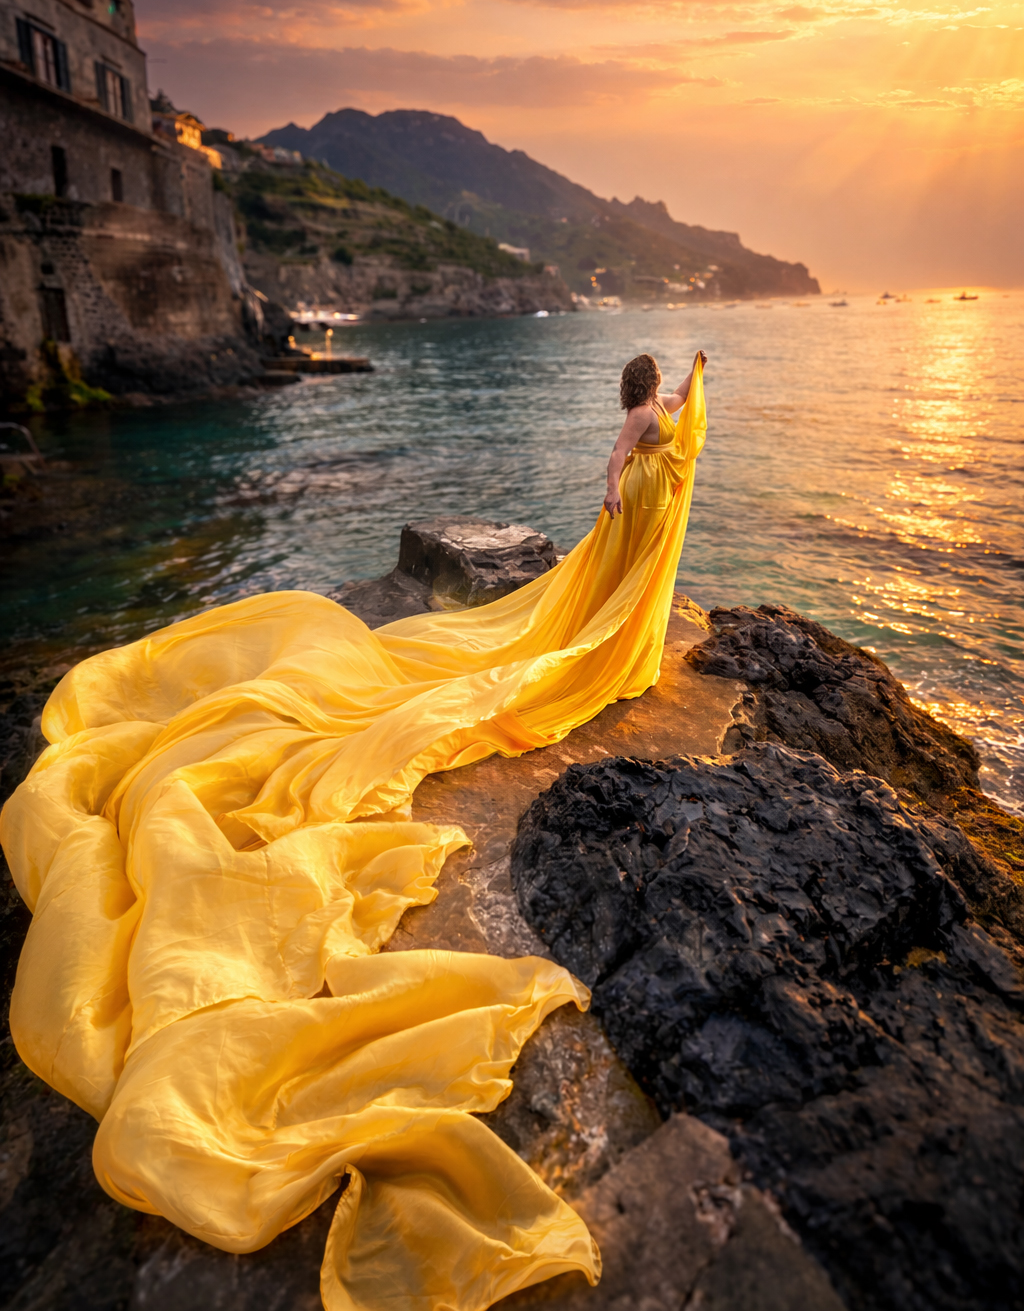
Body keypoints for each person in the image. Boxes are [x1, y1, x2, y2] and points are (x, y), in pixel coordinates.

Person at [0, 349, 707, 1311]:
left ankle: (626, 631)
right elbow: (616, 464)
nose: (657, 394)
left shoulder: (663, 402)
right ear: (639, 390)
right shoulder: (635, 424)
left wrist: (691, 391)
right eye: (655, 383)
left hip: (651, 520)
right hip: (638, 519)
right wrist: (619, 500)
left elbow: (674, 413)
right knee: (402, 709)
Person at [604, 349, 708, 518]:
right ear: (652, 377)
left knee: (653, 534)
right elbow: (619, 451)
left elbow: (680, 395)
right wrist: (612, 491)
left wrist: (696, 369)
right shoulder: (641, 413)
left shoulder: (656, 401)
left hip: (656, 481)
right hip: (646, 484)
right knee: (649, 534)